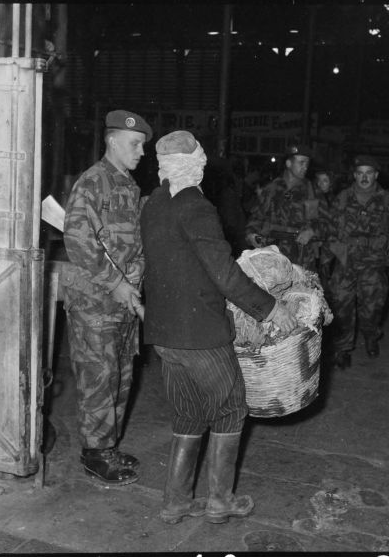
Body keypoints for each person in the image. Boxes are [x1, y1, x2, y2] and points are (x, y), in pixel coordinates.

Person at [140, 130, 297, 525]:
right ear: (196, 163)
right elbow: (225, 275)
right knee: (230, 409)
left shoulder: (154, 204)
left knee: (189, 415)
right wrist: (269, 308)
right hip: (201, 335)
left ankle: (176, 503)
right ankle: (220, 502)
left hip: (164, 334)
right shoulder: (196, 206)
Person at [62, 110, 151, 485]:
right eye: (136, 144)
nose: (142, 152)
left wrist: (137, 276)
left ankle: (107, 446)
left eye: (143, 145)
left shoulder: (128, 186)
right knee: (99, 377)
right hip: (95, 303)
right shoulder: (92, 183)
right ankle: (94, 453)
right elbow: (77, 241)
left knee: (120, 377)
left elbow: (136, 242)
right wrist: (117, 284)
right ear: (113, 140)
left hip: (122, 302)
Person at [320, 155, 389, 369]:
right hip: (345, 262)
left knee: (372, 308)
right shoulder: (342, 198)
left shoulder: (387, 199)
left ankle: (371, 335)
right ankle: (343, 348)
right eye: (360, 173)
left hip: (374, 264)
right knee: (341, 306)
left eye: (369, 173)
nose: (364, 177)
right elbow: (331, 229)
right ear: (355, 175)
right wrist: (326, 260)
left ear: (376, 175)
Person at [244, 144, 321, 271]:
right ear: (289, 164)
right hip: (272, 255)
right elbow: (256, 218)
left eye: (307, 163)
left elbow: (324, 222)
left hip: (300, 257)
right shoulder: (271, 189)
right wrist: (251, 235)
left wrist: (311, 231)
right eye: (301, 162)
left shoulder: (311, 191)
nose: (305, 167)